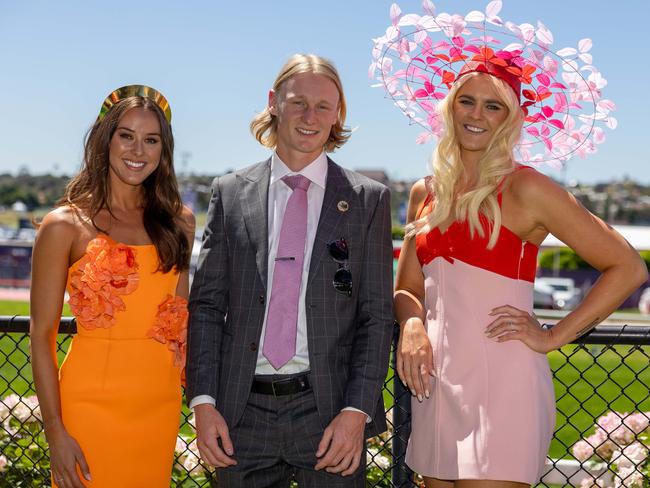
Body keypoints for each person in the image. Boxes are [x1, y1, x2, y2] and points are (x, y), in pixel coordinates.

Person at [371, 3, 649, 487]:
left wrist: (551, 335)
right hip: (434, 385)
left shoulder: (529, 189)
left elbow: (627, 267)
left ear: (511, 118)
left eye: (493, 105)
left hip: (504, 382)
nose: (476, 115)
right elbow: (408, 287)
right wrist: (412, 321)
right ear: (449, 106)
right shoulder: (424, 192)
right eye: (467, 101)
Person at [186, 53, 394, 487]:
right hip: (239, 413)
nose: (310, 116)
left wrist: (356, 412)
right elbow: (205, 306)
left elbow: (376, 317)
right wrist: (203, 401)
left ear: (338, 114)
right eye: (298, 102)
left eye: (324, 106)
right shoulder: (230, 192)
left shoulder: (367, 199)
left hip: (330, 413)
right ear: (274, 102)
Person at [30, 85, 194, 488]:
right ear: (105, 139)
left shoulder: (180, 223)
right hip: (88, 409)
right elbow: (41, 337)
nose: (138, 151)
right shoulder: (64, 225)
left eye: (151, 140)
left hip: (159, 406)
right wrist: (56, 433)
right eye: (127, 135)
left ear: (163, 149)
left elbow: (181, 323)